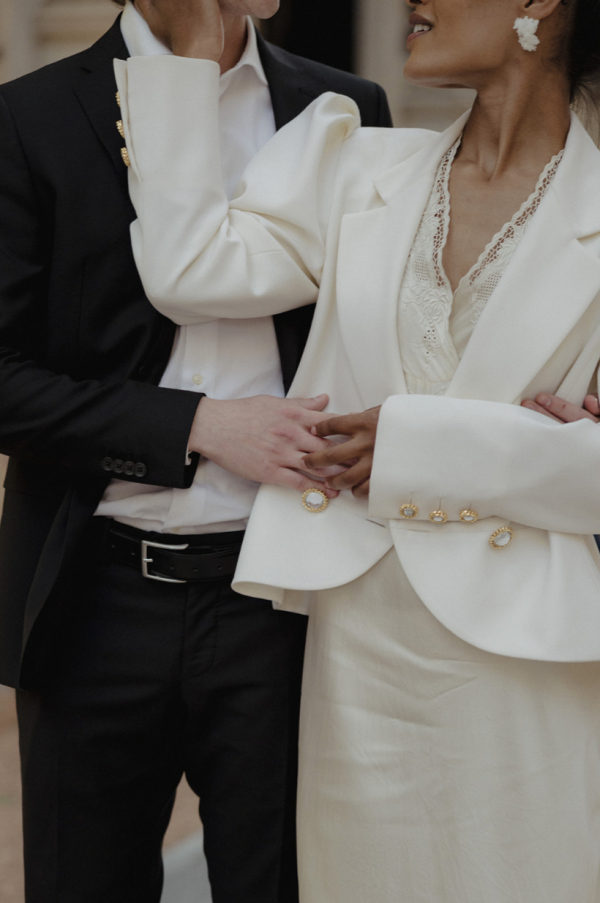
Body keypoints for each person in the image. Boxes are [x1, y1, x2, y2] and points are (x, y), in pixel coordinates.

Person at [117, 0, 600, 899]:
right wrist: (191, 47)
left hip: (531, 654)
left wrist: (424, 443)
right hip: (361, 651)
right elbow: (187, 271)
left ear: (540, 7)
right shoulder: (354, 161)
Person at [0, 2, 392, 901]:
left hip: (284, 600)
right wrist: (196, 426)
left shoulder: (346, 105)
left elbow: (386, 325)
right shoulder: (30, 115)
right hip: (92, 601)